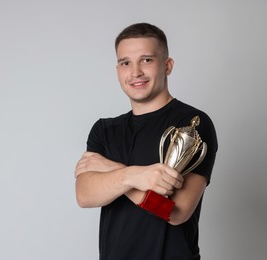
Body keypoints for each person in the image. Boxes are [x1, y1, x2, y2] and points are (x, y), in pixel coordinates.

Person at [75, 23, 218, 260]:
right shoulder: (104, 130)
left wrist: (114, 171)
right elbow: (85, 195)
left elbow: (175, 211)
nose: (135, 72)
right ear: (118, 69)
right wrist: (136, 176)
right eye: (125, 63)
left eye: (147, 60)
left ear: (167, 65)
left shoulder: (191, 124)